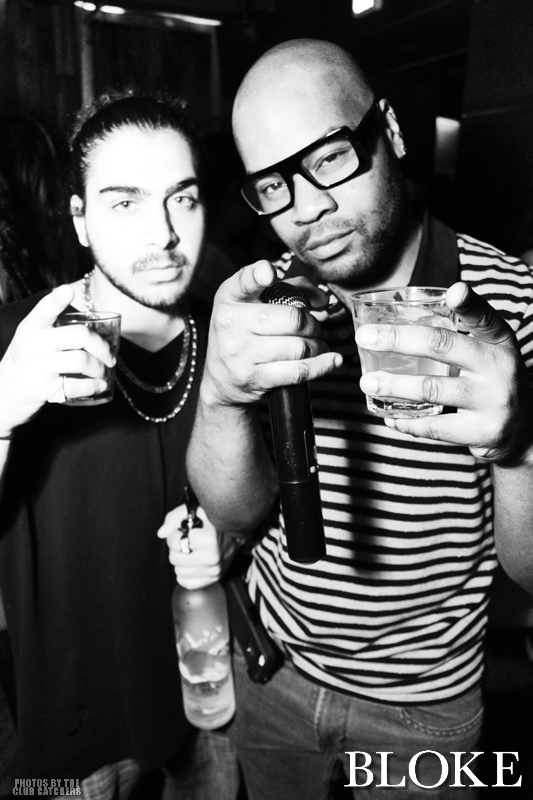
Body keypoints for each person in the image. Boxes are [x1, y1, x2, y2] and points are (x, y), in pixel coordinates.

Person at [186, 39, 533, 798]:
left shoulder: (512, 303)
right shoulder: (265, 306)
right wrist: (219, 395)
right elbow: (235, 512)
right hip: (272, 674)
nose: (305, 207)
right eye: (272, 184)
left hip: (424, 710)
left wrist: (520, 448)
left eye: (330, 157)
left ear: (391, 133)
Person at [0, 89, 240, 799]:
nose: (163, 235)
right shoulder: (16, 344)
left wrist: (232, 536)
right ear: (80, 219)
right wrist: (3, 409)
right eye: (126, 202)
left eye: (182, 199)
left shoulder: (232, 339)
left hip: (212, 700)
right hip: (76, 732)